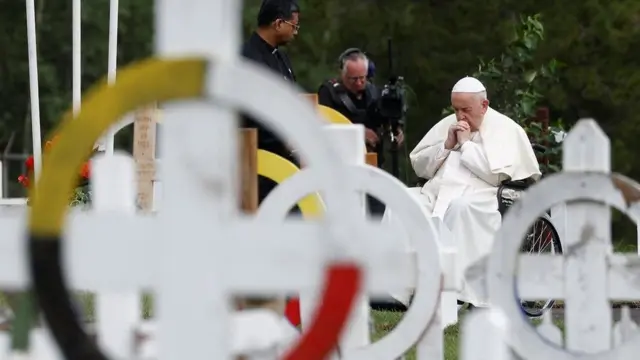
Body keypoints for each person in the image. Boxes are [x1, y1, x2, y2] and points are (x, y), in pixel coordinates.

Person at [399, 76, 541, 308]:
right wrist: (446, 145)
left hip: (484, 197)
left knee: (460, 208)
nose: (460, 117)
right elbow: (420, 167)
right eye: (456, 110)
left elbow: (496, 175)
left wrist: (466, 145)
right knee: (404, 200)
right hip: (436, 194)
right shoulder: (448, 124)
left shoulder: (506, 129)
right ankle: (401, 288)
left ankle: (456, 292)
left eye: (466, 110)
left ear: (483, 105)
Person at [240, 0, 300, 204]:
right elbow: (252, 113)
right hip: (255, 165)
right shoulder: (246, 59)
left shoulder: (283, 59)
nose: (296, 32)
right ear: (278, 24)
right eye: (294, 26)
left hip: (286, 166)